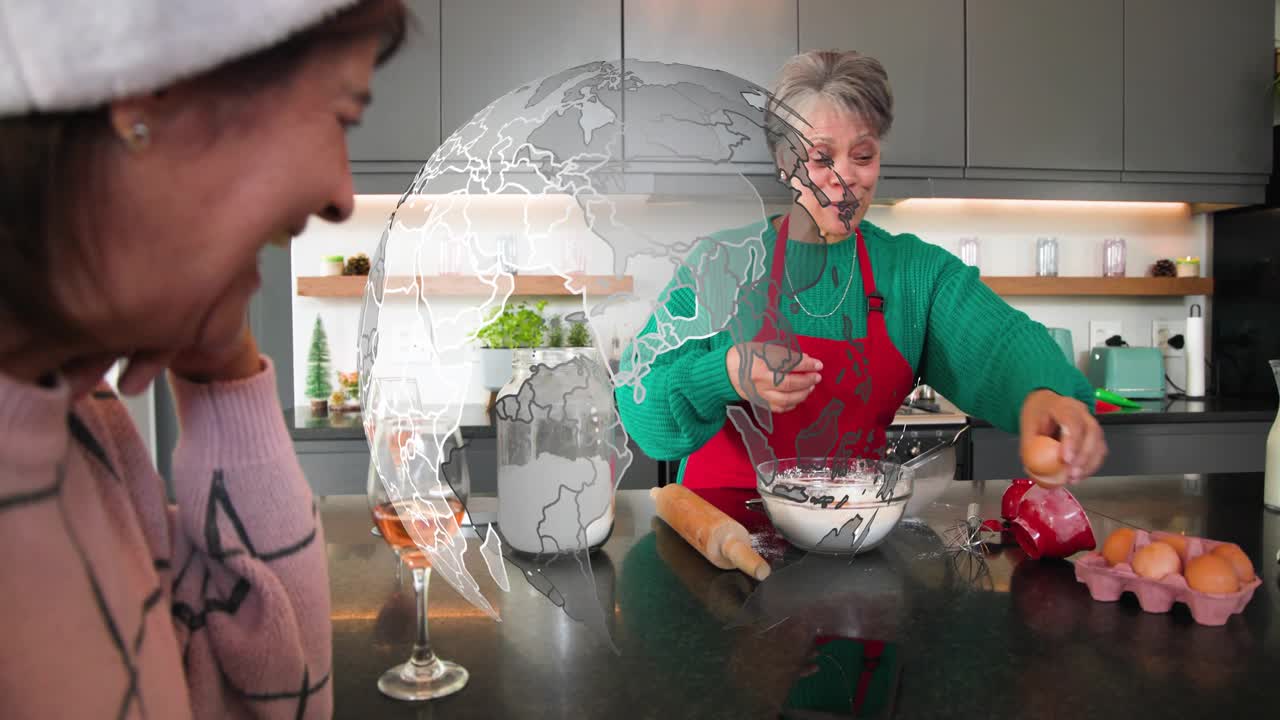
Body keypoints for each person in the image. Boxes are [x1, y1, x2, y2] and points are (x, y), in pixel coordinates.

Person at [0, 1, 405, 717]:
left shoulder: (97, 438)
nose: (341, 196)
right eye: (342, 116)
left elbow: (281, 699)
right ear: (149, 91)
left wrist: (225, 370)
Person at [617, 50, 1107, 489]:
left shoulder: (916, 275)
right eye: (821, 156)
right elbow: (642, 407)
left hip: (848, 543)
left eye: (863, 155)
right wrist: (724, 374)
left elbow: (999, 346)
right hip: (716, 544)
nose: (847, 175)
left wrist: (1046, 397)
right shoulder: (718, 267)